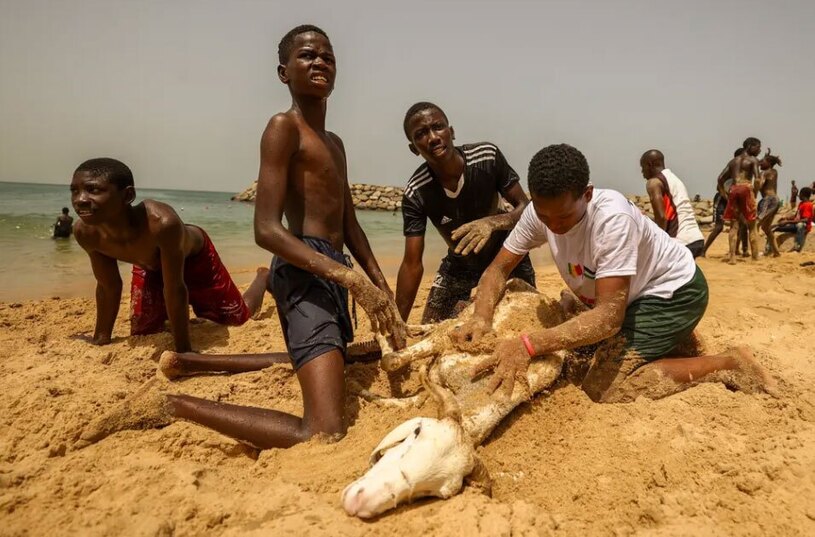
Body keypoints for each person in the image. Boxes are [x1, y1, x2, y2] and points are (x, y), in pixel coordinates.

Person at [75, 25, 406, 452]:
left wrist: (381, 287)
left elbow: (351, 225)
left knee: (334, 356)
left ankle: (191, 362)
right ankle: (174, 404)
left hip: (332, 268)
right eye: (307, 55)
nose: (320, 61)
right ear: (283, 72)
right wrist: (352, 281)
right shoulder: (283, 127)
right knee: (323, 429)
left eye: (328, 55)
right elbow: (266, 229)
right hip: (305, 268)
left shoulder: (334, 142)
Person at [451, 144, 772, 403]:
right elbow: (498, 268)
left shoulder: (612, 219)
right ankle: (673, 341)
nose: (554, 226)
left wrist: (528, 344)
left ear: (587, 195)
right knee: (583, 338)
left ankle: (728, 363)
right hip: (630, 296)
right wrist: (481, 316)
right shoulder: (541, 213)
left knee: (607, 388)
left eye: (563, 217)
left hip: (675, 293)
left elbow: (607, 318)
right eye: (544, 216)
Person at [71, 158, 269, 353]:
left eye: (93, 190)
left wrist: (183, 350)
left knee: (236, 317)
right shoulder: (85, 232)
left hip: (194, 258)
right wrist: (101, 338)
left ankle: (263, 277)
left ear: (128, 195)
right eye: (74, 191)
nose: (80, 200)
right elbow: (108, 286)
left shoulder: (161, 224)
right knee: (145, 330)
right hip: (149, 264)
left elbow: (174, 287)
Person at [396, 102, 535, 323]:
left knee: (518, 322)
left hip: (506, 256)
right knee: (430, 328)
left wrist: (491, 223)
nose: (433, 137)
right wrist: (398, 322)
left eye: (438, 127)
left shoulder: (487, 157)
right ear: (414, 148)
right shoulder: (416, 192)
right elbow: (412, 264)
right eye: (421, 134)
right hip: (460, 265)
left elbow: (526, 208)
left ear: (451, 132)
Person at [640, 149, 705, 257]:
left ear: (649, 164)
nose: (642, 173)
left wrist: (656, 244)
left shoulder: (654, 183)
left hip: (680, 241)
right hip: (696, 238)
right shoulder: (674, 179)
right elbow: (672, 213)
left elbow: (662, 217)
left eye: (643, 168)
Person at [718, 137, 761, 263]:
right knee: (752, 225)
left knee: (734, 225)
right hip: (746, 188)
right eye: (758, 147)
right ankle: (755, 256)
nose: (759, 150)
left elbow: (720, 179)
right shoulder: (753, 160)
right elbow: (757, 179)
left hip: (734, 189)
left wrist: (724, 194)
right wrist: (755, 193)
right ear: (750, 146)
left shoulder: (733, 162)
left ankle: (732, 257)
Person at [702, 148, 748, 257]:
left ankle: (740, 250)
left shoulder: (743, 172)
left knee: (743, 224)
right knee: (719, 227)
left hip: (735, 200)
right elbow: (719, 185)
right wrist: (727, 197)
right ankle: (703, 251)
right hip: (722, 200)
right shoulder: (731, 169)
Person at [755, 149, 782, 257]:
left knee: (756, 224)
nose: (760, 162)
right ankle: (776, 252)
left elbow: (760, 185)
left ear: (769, 163)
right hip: (775, 199)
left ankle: (755, 251)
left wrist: (756, 180)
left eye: (763, 161)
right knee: (766, 228)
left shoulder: (765, 173)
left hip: (768, 200)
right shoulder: (774, 172)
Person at [773, 187, 813, 252]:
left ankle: (797, 248)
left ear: (802, 194)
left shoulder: (808, 205)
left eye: (800, 194)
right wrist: (785, 218)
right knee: (776, 228)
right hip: (795, 225)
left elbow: (805, 220)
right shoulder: (801, 203)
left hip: (803, 227)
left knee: (800, 225)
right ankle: (769, 250)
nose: (798, 195)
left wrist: (787, 222)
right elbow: (796, 216)